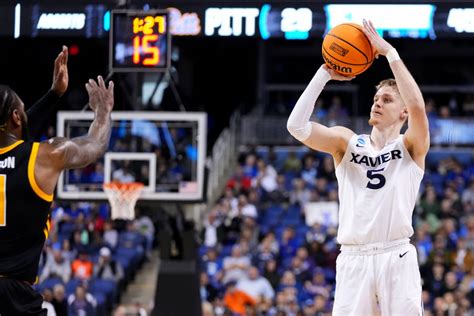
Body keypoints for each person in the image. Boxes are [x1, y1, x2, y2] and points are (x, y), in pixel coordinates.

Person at [287, 19, 429, 315]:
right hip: (353, 257)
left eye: (387, 99)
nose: (377, 103)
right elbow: (296, 126)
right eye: (376, 98)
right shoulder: (347, 142)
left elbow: (417, 106)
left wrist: (390, 53)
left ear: (402, 112)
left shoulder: (411, 146)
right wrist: (324, 74)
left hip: (396, 254)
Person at [0, 74, 114, 315]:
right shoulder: (45, 156)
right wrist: (103, 114)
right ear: (16, 117)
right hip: (16, 297)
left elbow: (16, 137)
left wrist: (53, 94)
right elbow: (94, 144)